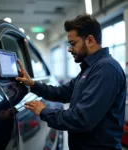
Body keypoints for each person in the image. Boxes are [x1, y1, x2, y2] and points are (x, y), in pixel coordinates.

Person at [16, 14, 126, 150]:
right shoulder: (90, 68)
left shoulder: (106, 69)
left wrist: (44, 111)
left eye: (73, 44)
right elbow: (62, 92)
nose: (69, 49)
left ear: (90, 40)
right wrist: (31, 83)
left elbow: (82, 119)